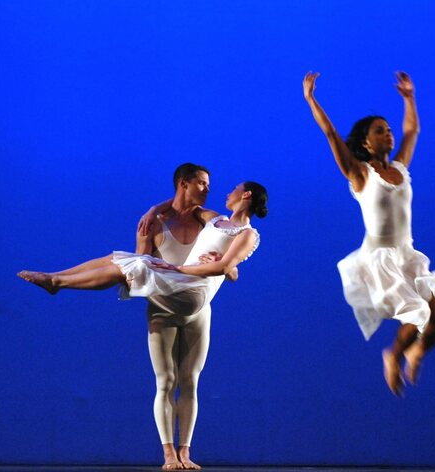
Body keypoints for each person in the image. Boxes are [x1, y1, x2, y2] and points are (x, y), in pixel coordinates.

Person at [19, 165, 267, 470]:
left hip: (194, 297)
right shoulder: (214, 219)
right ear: (184, 183)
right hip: (175, 291)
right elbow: (185, 206)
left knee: (137, 267)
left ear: (246, 195)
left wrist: (198, 268)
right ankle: (172, 456)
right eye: (202, 183)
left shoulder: (248, 233)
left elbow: (228, 268)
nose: (218, 190)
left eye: (229, 188)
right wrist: (153, 209)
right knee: (127, 262)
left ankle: (57, 282)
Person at [302, 71, 435, 396]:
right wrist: (311, 100)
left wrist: (409, 98)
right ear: (364, 142)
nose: (388, 135)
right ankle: (394, 354)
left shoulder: (400, 168)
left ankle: (416, 351)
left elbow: (412, 131)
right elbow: (331, 133)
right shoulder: (360, 174)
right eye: (380, 131)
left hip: (408, 254)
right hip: (380, 257)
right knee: (419, 314)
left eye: (388, 130)